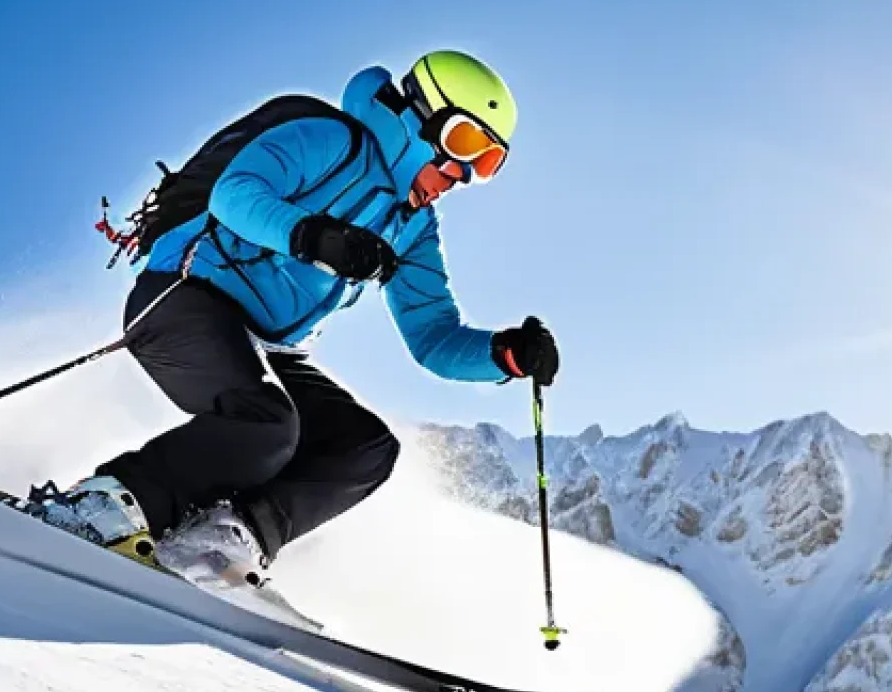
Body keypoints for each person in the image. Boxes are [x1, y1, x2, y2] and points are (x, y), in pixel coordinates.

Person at [40, 50, 560, 586]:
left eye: (489, 162)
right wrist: (315, 236)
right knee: (266, 423)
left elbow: (432, 336)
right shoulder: (329, 140)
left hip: (264, 345)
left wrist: (504, 355)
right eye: (464, 145)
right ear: (417, 116)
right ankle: (98, 508)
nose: (464, 174)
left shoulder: (413, 228)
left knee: (364, 447)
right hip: (181, 296)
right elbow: (235, 195)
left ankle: (222, 542)